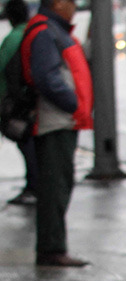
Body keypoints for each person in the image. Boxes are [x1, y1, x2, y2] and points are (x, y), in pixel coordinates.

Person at [17, 0, 91, 267]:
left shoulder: (52, 29)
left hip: (62, 120)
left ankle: (53, 247)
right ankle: (51, 248)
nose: (75, 8)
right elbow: (46, 77)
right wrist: (73, 104)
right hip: (55, 121)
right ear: (58, 3)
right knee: (54, 186)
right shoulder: (46, 32)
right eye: (72, 2)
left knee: (59, 183)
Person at [1, 0, 38, 207]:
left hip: (17, 103)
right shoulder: (32, 33)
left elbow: (3, 69)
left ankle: (33, 186)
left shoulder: (13, 38)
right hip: (31, 101)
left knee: (26, 143)